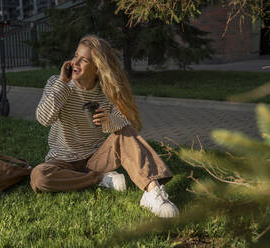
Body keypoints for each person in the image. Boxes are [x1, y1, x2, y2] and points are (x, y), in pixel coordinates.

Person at [30, 35, 179, 218]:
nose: (74, 62)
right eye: (75, 56)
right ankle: (101, 179)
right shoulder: (57, 83)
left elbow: (127, 125)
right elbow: (43, 118)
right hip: (61, 161)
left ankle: (152, 192)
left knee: (124, 131)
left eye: (83, 60)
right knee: (39, 177)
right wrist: (62, 84)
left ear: (97, 68)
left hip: (96, 159)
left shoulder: (105, 92)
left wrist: (108, 120)